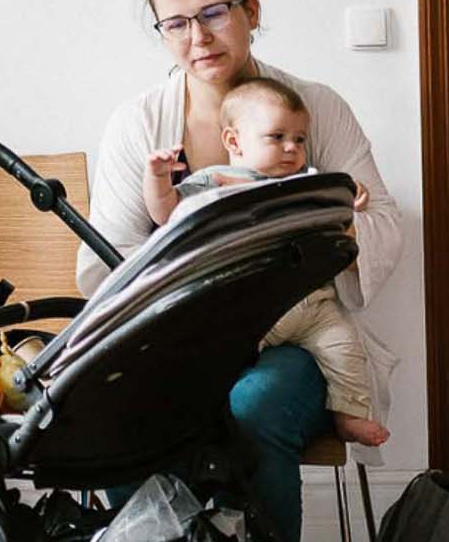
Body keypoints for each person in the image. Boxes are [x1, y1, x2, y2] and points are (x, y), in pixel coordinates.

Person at [83, 0, 401, 542]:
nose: (198, 37)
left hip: (289, 334)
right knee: (114, 423)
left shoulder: (314, 108)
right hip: (180, 339)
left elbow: (383, 220)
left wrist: (335, 218)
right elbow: (103, 266)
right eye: (175, 24)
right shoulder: (139, 127)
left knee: (253, 407)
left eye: (214, 13)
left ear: (251, 10)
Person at [142, 77, 389, 450]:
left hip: (314, 306)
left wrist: (351, 195)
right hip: (253, 308)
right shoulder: (216, 182)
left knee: (345, 347)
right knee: (216, 351)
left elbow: (337, 211)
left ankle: (348, 414)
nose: (292, 148)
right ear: (234, 141)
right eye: (277, 137)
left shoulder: (306, 183)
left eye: (300, 140)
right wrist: (158, 178)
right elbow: (167, 214)